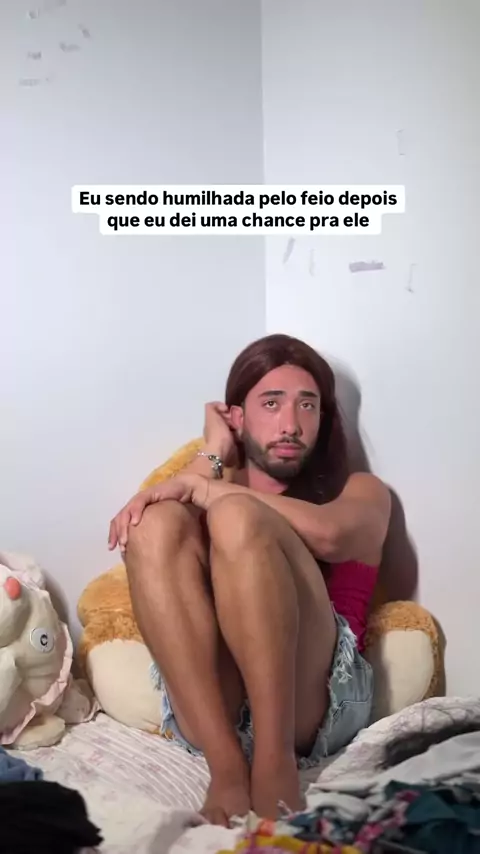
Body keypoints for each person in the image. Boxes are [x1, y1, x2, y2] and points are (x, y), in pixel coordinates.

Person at [108, 333, 391, 826]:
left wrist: (209, 491)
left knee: (237, 516)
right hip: (215, 707)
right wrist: (214, 450)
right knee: (155, 523)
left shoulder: (361, 490)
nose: (291, 424)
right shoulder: (219, 482)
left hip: (314, 702)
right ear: (238, 417)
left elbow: (330, 536)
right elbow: (156, 522)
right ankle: (227, 769)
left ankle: (274, 766)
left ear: (323, 418)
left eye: (308, 405)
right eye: (271, 403)